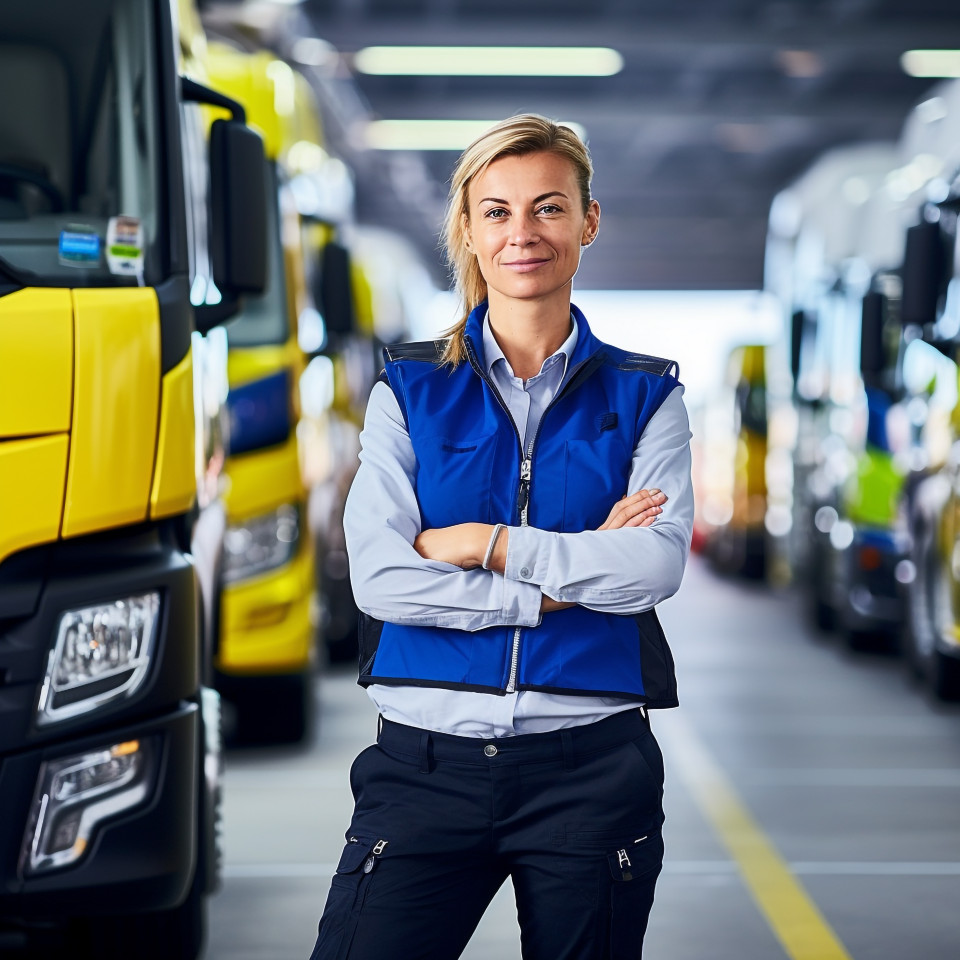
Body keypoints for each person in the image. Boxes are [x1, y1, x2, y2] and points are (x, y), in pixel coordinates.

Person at [308, 114, 693, 960]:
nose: (524, 233)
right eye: (498, 212)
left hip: (591, 773)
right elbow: (382, 582)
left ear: (589, 221)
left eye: (550, 208)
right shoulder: (405, 390)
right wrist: (563, 582)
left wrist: (480, 541)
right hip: (422, 770)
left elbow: (652, 568)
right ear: (469, 230)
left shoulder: (647, 398)